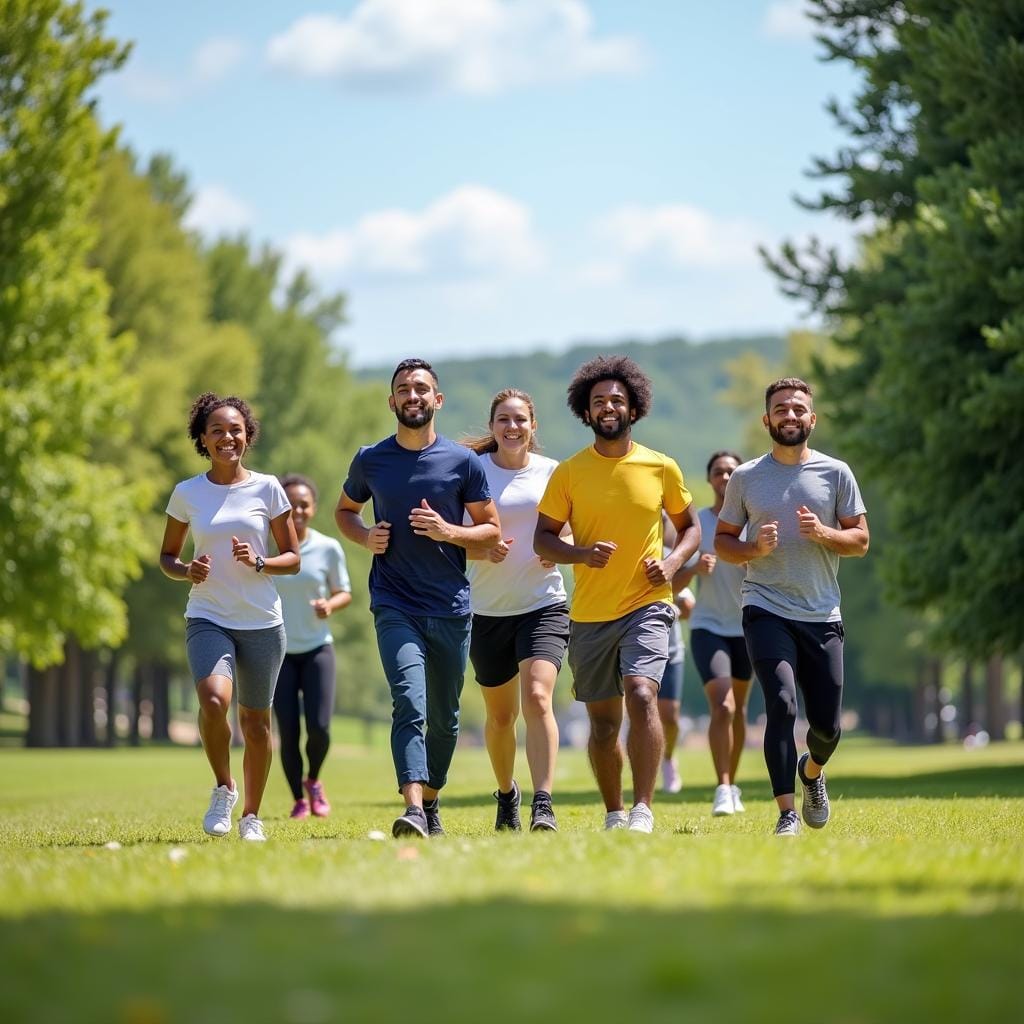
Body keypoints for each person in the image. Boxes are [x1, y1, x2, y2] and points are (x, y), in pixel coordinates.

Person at [335, 358, 501, 839]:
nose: (413, 396)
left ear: (437, 400)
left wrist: (448, 531)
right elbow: (345, 511)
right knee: (409, 701)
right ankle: (411, 807)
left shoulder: (462, 463)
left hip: (450, 605)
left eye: (421, 389)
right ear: (392, 401)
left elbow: (491, 531)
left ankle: (429, 803)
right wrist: (365, 537)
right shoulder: (371, 459)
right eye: (404, 389)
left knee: (446, 721)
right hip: (394, 601)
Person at [535, 355, 700, 833]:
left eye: (617, 400)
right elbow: (542, 539)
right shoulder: (568, 473)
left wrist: (670, 564)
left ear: (633, 408)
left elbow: (690, 530)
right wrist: (581, 554)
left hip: (647, 604)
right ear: (586, 413)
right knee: (604, 725)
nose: (608, 406)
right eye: (599, 401)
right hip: (588, 613)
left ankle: (643, 809)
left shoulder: (660, 467)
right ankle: (614, 812)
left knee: (643, 694)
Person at [714, 377, 868, 836]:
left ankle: (812, 771)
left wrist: (825, 535)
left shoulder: (836, 473)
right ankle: (786, 814)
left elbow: (860, 540)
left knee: (827, 728)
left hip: (822, 613)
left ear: (812, 419)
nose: (790, 415)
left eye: (798, 409)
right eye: (781, 409)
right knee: (780, 704)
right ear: (767, 419)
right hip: (765, 606)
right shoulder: (745, 479)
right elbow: (723, 543)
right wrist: (753, 550)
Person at [159, 393, 300, 842]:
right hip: (208, 614)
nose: (227, 437)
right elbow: (167, 556)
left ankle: (252, 816)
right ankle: (224, 787)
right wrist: (186, 570)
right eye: (217, 430)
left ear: (247, 435)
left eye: (235, 429)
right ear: (203, 438)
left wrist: (260, 562)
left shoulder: (268, 488)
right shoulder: (187, 493)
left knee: (257, 724)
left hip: (261, 619)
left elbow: (293, 558)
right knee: (214, 701)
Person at [462, 388, 571, 833]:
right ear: (492, 427)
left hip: (542, 603)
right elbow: (452, 537)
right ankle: (507, 792)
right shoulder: (472, 472)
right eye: (504, 420)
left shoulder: (554, 473)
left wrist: (557, 550)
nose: (512, 427)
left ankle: (543, 802)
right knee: (501, 717)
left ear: (533, 426)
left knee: (538, 698)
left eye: (520, 419)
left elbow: (573, 528)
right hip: (486, 609)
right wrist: (480, 552)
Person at [677, 450, 755, 816]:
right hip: (708, 626)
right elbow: (670, 581)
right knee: (722, 705)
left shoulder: (754, 524)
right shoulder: (699, 526)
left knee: (737, 709)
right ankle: (722, 786)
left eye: (731, 472)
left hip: (748, 627)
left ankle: (733, 783)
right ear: (709, 480)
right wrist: (693, 568)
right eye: (719, 473)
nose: (725, 478)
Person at [273, 474, 352, 820]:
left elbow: (344, 591)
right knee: (288, 731)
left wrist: (330, 606)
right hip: (277, 652)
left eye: (304, 504)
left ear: (314, 507)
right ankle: (298, 800)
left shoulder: (328, 547)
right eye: (290, 505)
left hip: (318, 648)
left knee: (319, 727)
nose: (298, 510)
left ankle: (314, 781)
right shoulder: (267, 547)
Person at [659, 513, 695, 795]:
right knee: (638, 711)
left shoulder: (672, 555)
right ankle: (641, 767)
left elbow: (687, 607)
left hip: (670, 649)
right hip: (633, 647)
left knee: (670, 716)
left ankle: (668, 759)